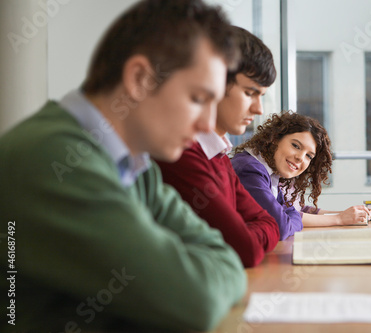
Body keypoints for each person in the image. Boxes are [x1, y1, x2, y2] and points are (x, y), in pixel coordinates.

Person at [0, 1, 247, 332]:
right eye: (198, 99)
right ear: (140, 79)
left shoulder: (137, 167)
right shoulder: (55, 159)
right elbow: (195, 300)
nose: (207, 125)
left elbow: (224, 255)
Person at [156, 26, 279, 268]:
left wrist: (249, 233)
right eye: (249, 93)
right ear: (213, 83)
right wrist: (249, 234)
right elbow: (246, 250)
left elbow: (269, 222)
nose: (258, 109)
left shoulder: (219, 154)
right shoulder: (182, 154)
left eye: (261, 96)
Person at [231, 111, 371, 240]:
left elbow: (291, 212)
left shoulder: (270, 174)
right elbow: (280, 227)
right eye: (296, 146)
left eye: (309, 156)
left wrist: (342, 216)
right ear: (275, 139)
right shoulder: (250, 170)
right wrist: (339, 219)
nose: (300, 158)